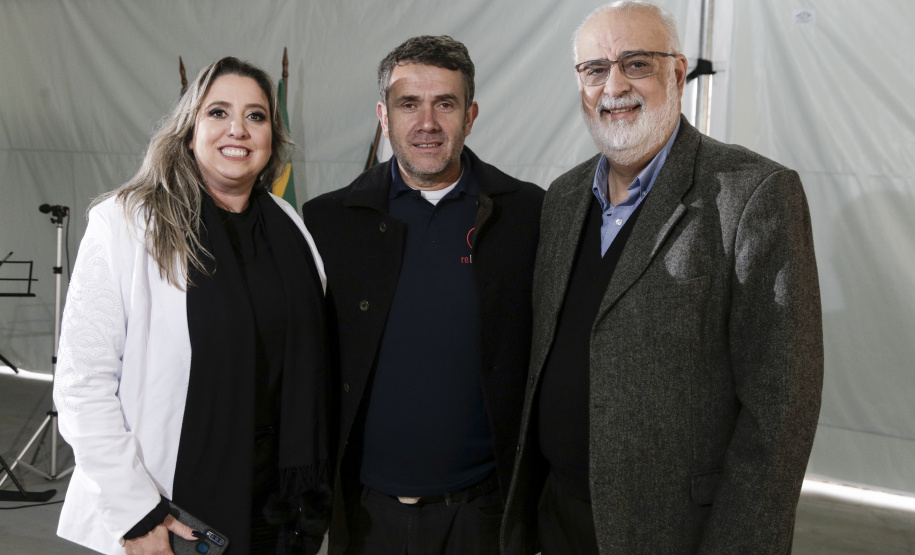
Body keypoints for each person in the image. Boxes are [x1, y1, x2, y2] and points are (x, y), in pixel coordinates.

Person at [502, 2, 824, 553]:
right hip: (555, 518)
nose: (614, 87)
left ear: (677, 73)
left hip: (672, 532)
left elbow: (781, 410)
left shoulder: (752, 194)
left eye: (636, 64)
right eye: (595, 70)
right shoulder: (562, 198)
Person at [54, 57, 331, 555]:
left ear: (272, 138)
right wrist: (138, 514)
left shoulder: (290, 226)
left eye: (255, 116)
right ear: (188, 130)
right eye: (218, 112)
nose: (238, 129)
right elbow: (82, 384)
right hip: (172, 510)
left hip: (278, 509)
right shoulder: (126, 222)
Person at [302, 35, 544, 555]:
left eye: (445, 104)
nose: (427, 122)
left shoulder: (528, 215)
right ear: (384, 116)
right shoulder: (328, 221)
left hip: (482, 515)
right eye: (409, 104)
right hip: (365, 515)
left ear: (471, 115)